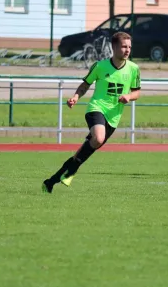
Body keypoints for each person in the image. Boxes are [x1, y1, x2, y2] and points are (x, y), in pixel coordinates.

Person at [42, 31, 141, 193]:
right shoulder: (100, 66)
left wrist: (129, 96)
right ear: (114, 47)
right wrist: (75, 97)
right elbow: (85, 85)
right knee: (98, 138)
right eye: (124, 46)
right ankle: (70, 171)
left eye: (129, 47)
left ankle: (51, 181)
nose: (127, 50)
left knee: (87, 150)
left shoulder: (134, 69)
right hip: (96, 108)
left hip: (113, 117)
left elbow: (137, 92)